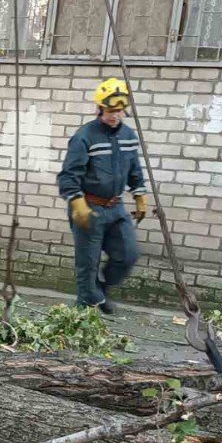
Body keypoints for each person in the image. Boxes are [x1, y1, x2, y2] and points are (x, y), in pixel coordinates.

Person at [57, 78, 147, 315]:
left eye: (118, 111)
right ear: (99, 109)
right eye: (109, 111)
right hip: (89, 207)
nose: (114, 116)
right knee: (88, 263)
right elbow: (68, 175)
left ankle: (99, 291)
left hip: (116, 208)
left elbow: (135, 170)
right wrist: (77, 203)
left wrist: (140, 196)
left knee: (127, 255)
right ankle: (83, 312)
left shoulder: (128, 135)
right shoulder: (85, 136)